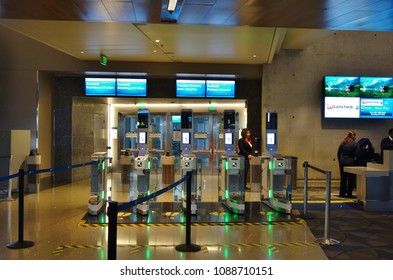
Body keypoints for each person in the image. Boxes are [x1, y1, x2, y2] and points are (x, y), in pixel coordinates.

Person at [337, 131, 360, 198]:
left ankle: (342, 193)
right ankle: (349, 193)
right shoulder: (355, 144)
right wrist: (356, 163)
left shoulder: (343, 142)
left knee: (343, 178)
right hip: (351, 162)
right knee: (351, 179)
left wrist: (340, 161)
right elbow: (357, 155)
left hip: (342, 161)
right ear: (354, 136)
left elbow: (338, 153)